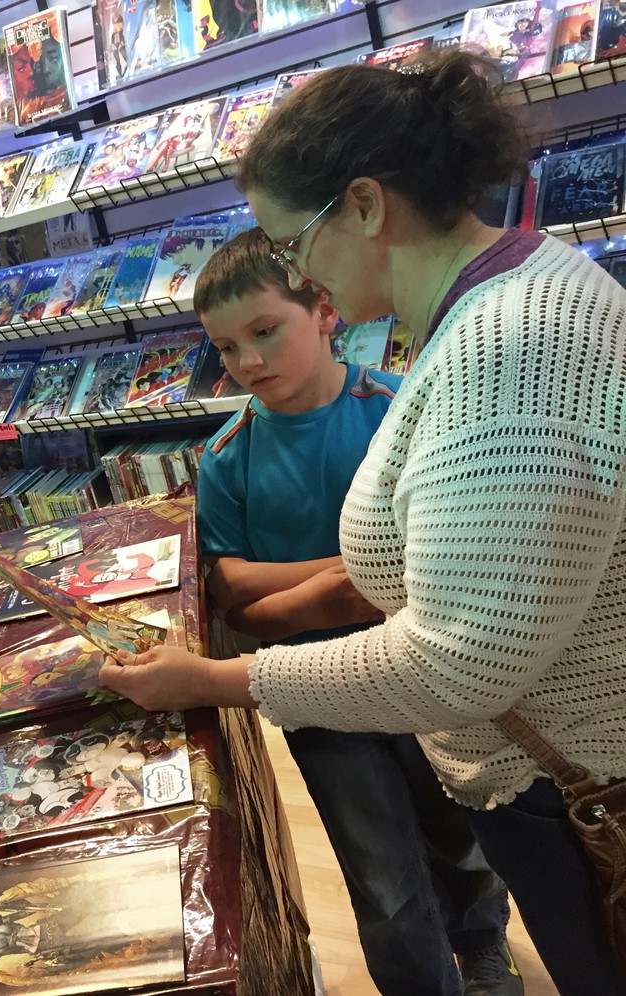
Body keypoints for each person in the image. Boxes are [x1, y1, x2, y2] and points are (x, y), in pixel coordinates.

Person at [99, 50, 626, 992]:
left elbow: (455, 663)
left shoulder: (507, 350)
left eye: (293, 242)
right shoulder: (514, 294)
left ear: (366, 206)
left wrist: (216, 680)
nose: (300, 270)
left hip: (575, 780)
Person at [189, 228, 518, 995]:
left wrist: (292, 594)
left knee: (458, 826)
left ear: (325, 310)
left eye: (265, 331)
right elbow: (230, 589)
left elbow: (447, 550)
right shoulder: (226, 456)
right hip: (312, 694)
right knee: (378, 870)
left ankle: (484, 945)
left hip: (424, 672)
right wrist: (343, 579)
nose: (247, 362)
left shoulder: (402, 409)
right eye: (226, 347)